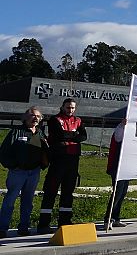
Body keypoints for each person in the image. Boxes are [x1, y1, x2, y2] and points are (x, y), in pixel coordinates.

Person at [38, 98, 87, 233]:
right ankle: (43, 224)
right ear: (62, 107)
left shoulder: (78, 120)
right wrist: (74, 136)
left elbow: (84, 136)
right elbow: (59, 134)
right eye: (67, 107)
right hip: (58, 159)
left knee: (68, 192)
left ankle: (64, 222)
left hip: (73, 160)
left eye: (72, 108)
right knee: (50, 191)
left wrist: (69, 137)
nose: (70, 110)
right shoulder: (55, 119)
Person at [0, 107, 48, 237]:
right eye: (32, 115)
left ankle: (24, 227)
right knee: (10, 199)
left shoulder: (40, 133)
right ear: (25, 117)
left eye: (38, 116)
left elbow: (45, 151)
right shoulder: (16, 132)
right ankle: (2, 228)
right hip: (18, 172)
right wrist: (13, 166)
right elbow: (3, 152)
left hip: (34, 172)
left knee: (28, 200)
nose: (35, 118)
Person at [104, 119, 129, 229]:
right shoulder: (120, 129)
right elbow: (118, 138)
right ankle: (108, 219)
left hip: (126, 167)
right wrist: (123, 125)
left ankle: (116, 217)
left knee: (123, 192)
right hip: (117, 166)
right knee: (117, 193)